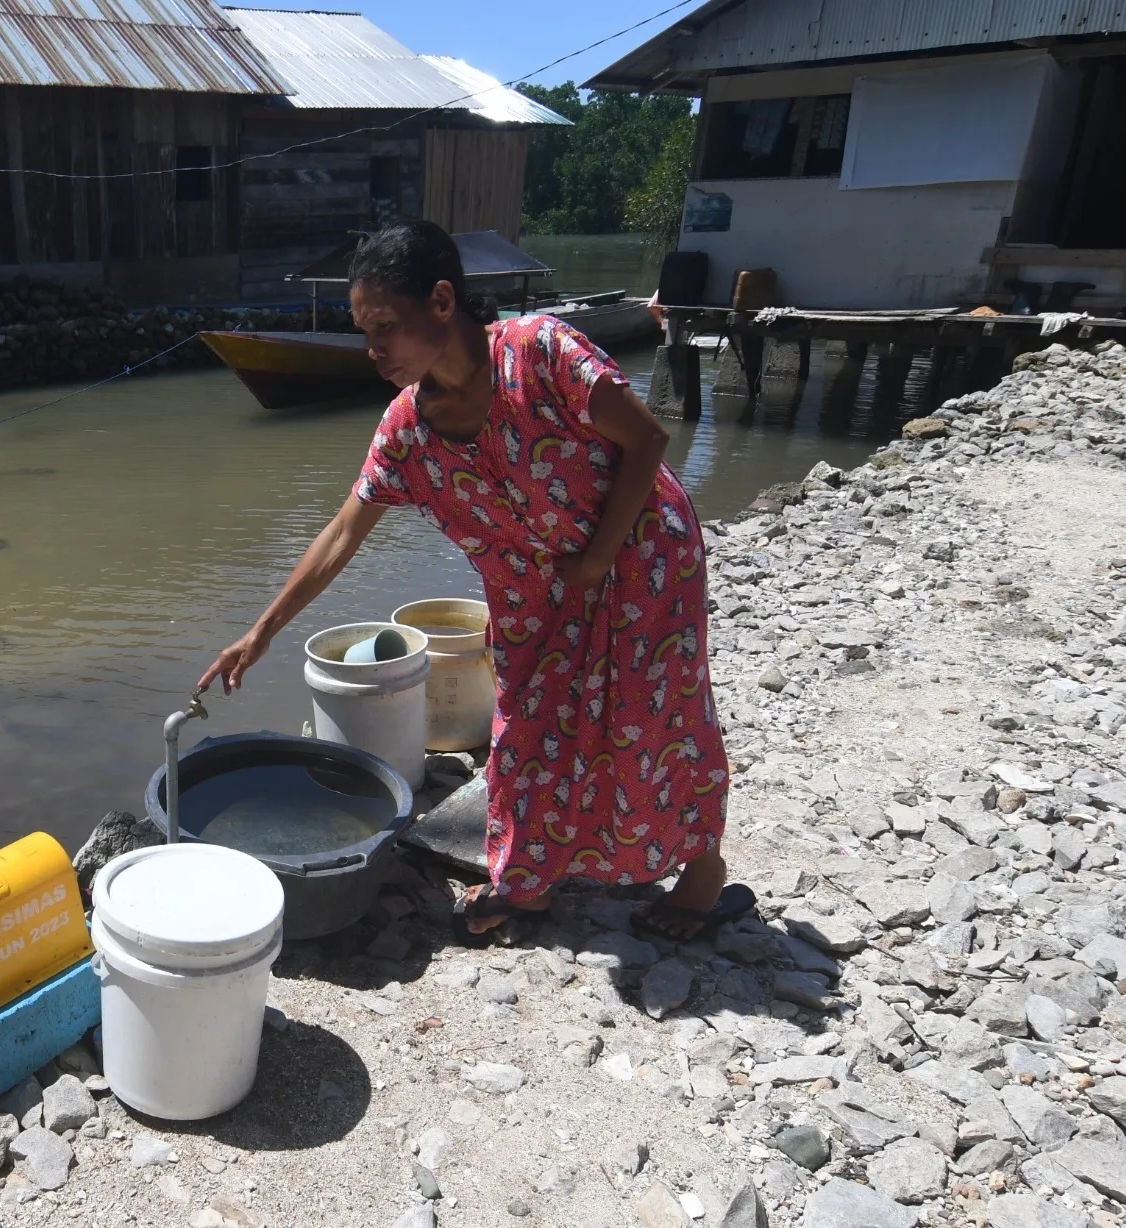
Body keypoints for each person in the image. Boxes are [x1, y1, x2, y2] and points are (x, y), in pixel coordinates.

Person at [198, 221, 746, 942]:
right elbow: (341, 532)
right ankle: (526, 884)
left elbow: (647, 438)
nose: (374, 350)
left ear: (443, 301)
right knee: (525, 729)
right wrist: (259, 633)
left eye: (386, 327)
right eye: (363, 331)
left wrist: (594, 560)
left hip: (640, 555)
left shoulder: (541, 353)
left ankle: (699, 875)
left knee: (652, 719)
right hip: (533, 593)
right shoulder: (407, 433)